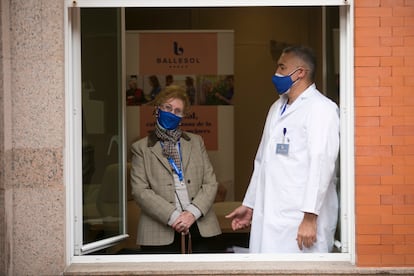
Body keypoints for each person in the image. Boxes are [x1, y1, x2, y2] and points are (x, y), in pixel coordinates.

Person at [226, 45, 340, 253]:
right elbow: (262, 161)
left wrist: (309, 217)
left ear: (300, 73)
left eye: (281, 67)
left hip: (299, 220)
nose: (276, 74)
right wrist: (250, 205)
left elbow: (321, 164)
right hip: (271, 215)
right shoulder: (277, 107)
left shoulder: (321, 109)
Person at [130, 85, 222, 253]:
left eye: (178, 111)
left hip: (200, 226)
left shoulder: (196, 142)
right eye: (167, 108)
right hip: (159, 232)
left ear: (183, 116)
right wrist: (174, 217)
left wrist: (191, 214)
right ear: (158, 109)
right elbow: (140, 191)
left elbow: (210, 183)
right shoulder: (141, 148)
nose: (172, 113)